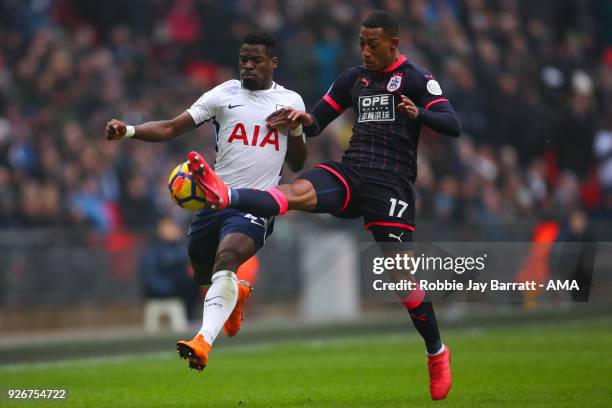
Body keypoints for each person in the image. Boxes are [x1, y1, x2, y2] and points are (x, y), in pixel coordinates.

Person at [187, 11, 460, 400]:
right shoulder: (353, 79)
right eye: (361, 43)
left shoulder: (417, 79)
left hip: (391, 187)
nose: (364, 51)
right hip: (352, 172)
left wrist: (422, 112)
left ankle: (436, 351)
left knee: (402, 281)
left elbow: (452, 123)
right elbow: (318, 122)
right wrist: (300, 119)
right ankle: (227, 194)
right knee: (294, 192)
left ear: (394, 44)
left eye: (373, 44)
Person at [105, 32, 307, 371]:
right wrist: (129, 131)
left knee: (226, 258)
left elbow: (299, 163)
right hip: (215, 200)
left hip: (256, 204)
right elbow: (171, 128)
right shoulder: (223, 94)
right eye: (243, 59)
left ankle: (202, 342)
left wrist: (297, 130)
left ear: (273, 62)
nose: (248, 65)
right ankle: (235, 296)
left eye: (256, 60)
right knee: (201, 270)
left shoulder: (290, 102)